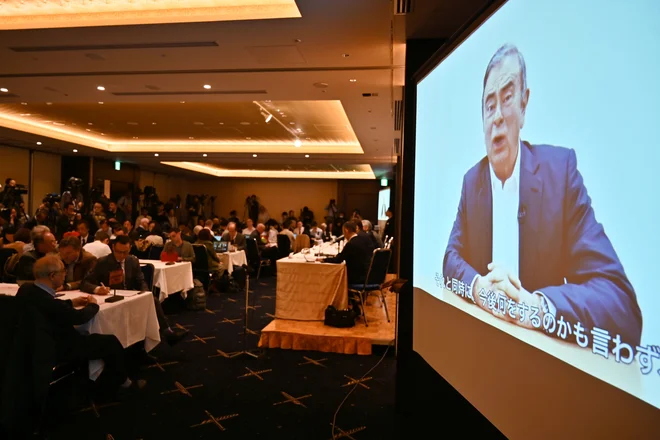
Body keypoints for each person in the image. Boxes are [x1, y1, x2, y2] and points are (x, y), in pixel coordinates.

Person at [442, 44, 642, 345]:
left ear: (524, 105)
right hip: (479, 348)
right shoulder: (472, 181)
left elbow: (621, 305)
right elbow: (450, 259)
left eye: (507, 99)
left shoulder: (559, 172)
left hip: (541, 362)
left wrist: (535, 309)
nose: (496, 116)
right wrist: (479, 288)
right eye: (488, 105)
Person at [16, 255, 144, 397]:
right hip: (57, 347)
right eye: (63, 271)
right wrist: (93, 305)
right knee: (110, 342)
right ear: (52, 275)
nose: (65, 275)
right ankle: (120, 384)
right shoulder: (50, 302)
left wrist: (71, 302)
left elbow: (51, 307)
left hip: (29, 343)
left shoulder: (26, 289)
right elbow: (79, 318)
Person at [81, 235, 188, 345]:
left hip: (130, 296)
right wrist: (97, 289)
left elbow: (140, 281)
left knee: (152, 300)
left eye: (125, 252)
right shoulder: (102, 262)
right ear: (113, 248)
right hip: (110, 298)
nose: (122, 255)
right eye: (119, 252)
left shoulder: (132, 261)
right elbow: (85, 283)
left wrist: (145, 293)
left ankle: (166, 332)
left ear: (130, 249)